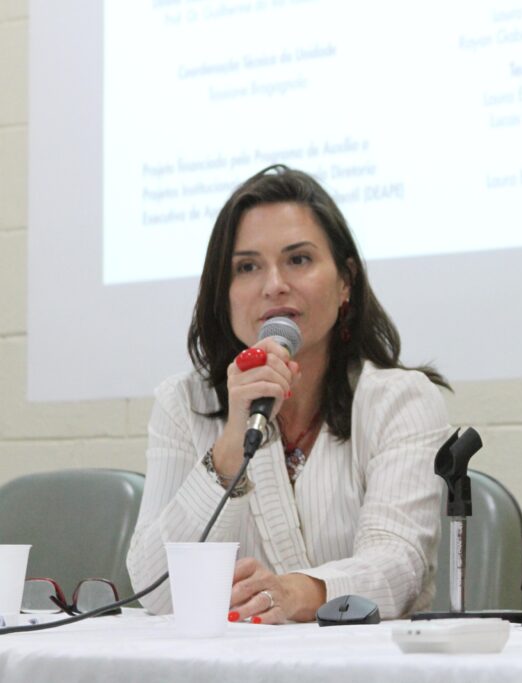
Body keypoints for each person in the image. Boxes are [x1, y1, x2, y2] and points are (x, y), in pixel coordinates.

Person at [127, 165, 450, 623]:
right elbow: (153, 592)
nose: (273, 283)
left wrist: (297, 593)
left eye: (298, 260)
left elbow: (399, 567)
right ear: (224, 293)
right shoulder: (184, 404)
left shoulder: (400, 402)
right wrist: (231, 443)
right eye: (247, 267)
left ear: (345, 282)